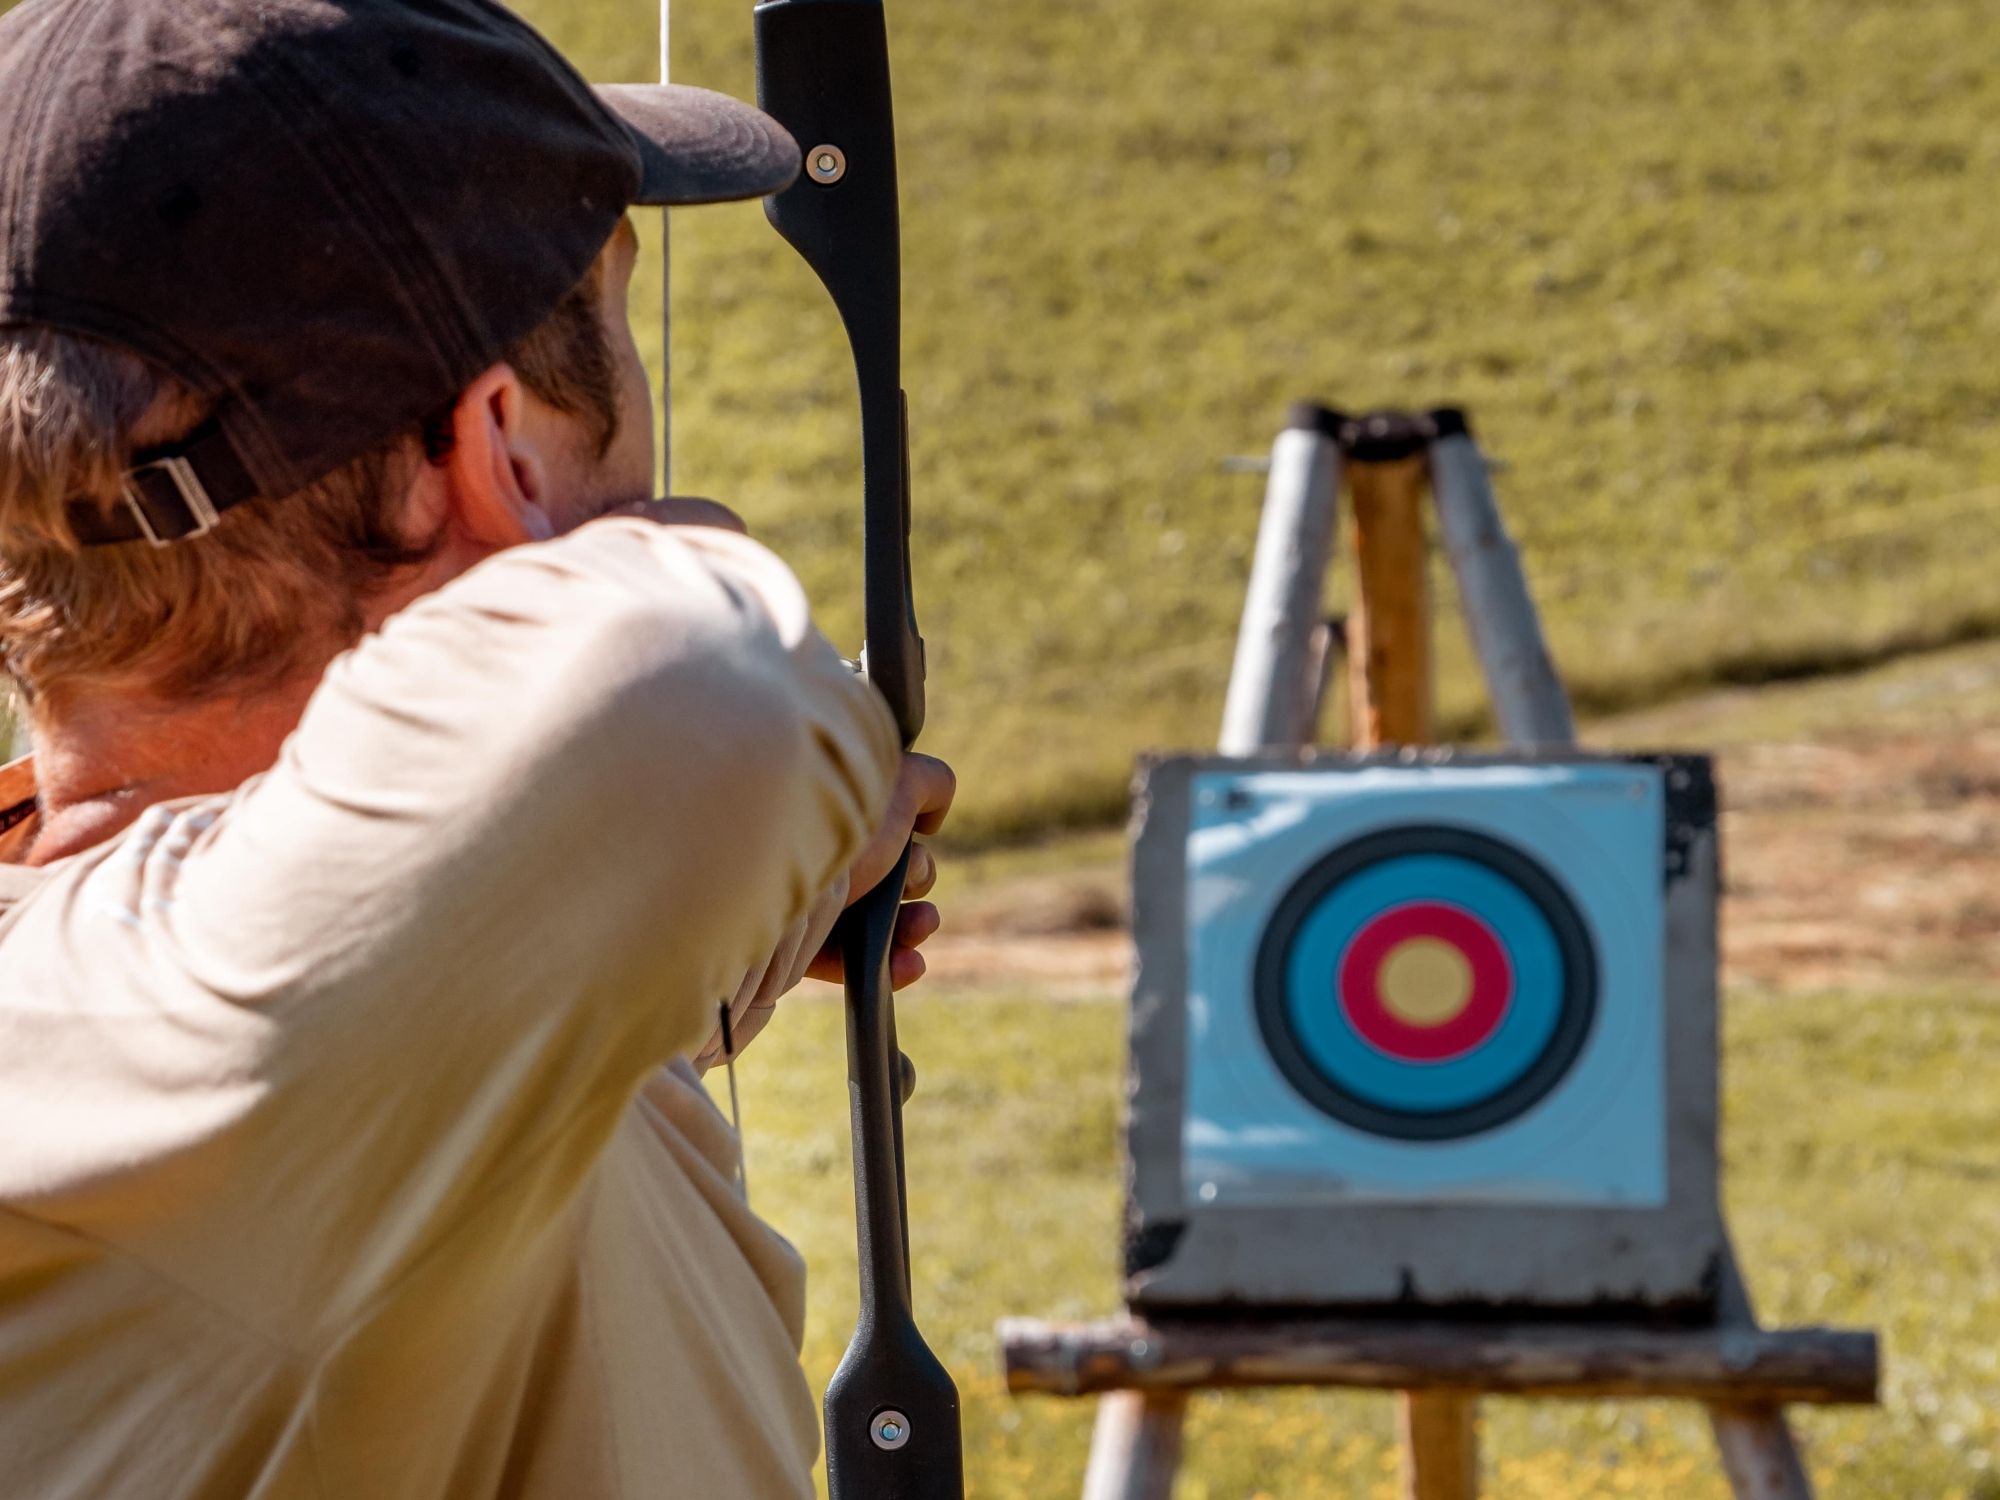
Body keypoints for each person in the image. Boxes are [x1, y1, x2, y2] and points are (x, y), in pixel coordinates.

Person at [0, 0, 955, 1495]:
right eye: (618, 332)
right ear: (496, 449)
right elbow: (680, 684)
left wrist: (668, 924)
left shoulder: (156, 1020)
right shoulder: (177, 1041)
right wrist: (735, 671)